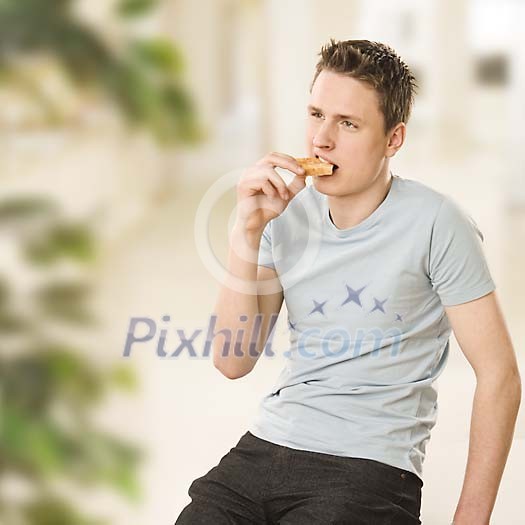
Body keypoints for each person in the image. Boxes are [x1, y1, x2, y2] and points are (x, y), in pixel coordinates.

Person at [175, 39, 521, 525]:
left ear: (393, 139)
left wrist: (471, 519)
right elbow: (233, 361)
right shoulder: (283, 217)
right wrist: (246, 233)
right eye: (316, 115)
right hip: (265, 449)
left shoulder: (438, 223)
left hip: (370, 467)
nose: (321, 140)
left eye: (348, 124)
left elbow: (500, 376)